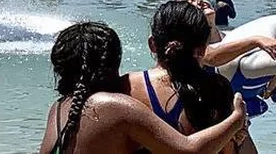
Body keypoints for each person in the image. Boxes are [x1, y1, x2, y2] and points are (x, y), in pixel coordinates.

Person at [38, 21, 246, 154]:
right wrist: (236, 120)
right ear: (114, 62)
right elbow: (189, 151)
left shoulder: (58, 109)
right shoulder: (116, 106)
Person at [122, 0, 255, 153]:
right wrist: (239, 127)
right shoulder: (216, 88)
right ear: (203, 50)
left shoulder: (127, 85)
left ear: (152, 43)